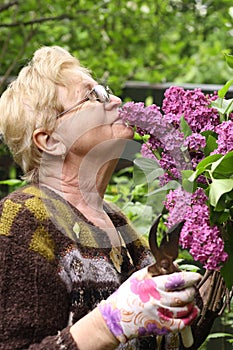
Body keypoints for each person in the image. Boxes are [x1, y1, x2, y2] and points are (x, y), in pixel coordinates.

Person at [0, 46, 201, 350]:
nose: (116, 100)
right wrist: (107, 324)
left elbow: (171, 337)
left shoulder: (118, 223)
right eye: (92, 96)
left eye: (104, 91)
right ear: (51, 140)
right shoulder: (21, 222)